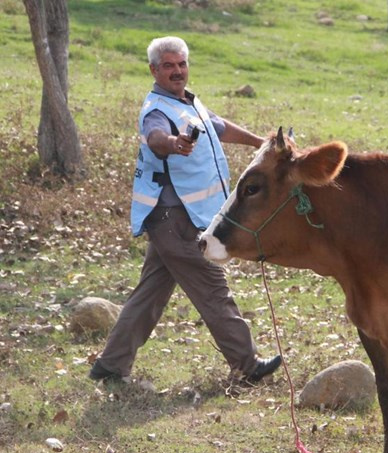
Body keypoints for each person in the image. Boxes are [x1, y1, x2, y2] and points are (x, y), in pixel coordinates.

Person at [89, 36, 281, 384]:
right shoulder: (156, 110)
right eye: (168, 66)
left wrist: (260, 143)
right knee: (213, 289)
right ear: (153, 70)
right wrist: (174, 145)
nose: (177, 71)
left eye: (181, 64)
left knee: (150, 293)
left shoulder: (187, 102)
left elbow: (218, 126)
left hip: (180, 217)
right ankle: (248, 365)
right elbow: (156, 137)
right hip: (176, 220)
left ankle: (111, 365)